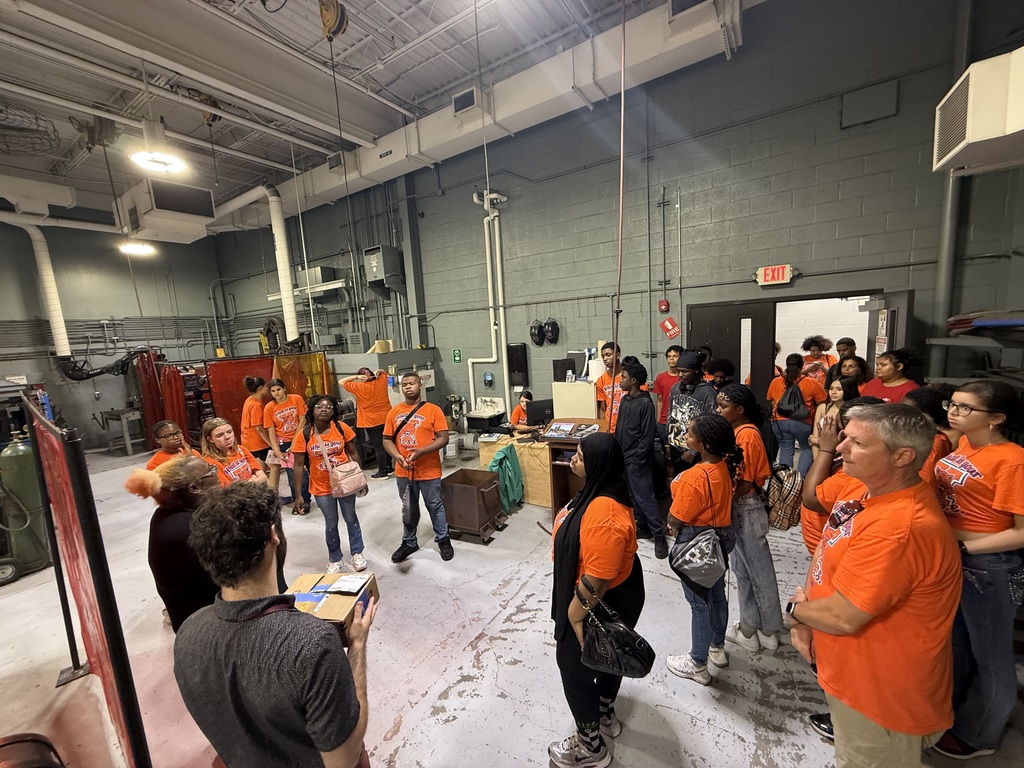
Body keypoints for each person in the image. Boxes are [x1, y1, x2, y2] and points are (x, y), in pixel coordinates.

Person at [788, 404, 961, 768]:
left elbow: (844, 616)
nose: (840, 448)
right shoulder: (863, 487)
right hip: (849, 670)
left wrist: (795, 611)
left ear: (902, 456)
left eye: (857, 443)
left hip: (878, 695)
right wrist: (809, 618)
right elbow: (827, 543)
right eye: (844, 437)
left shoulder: (900, 527)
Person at [174, 483, 377, 768]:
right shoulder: (312, 643)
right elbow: (344, 759)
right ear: (273, 536)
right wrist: (357, 647)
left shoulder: (188, 633)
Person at [931, 380, 1024, 760]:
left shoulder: (1012, 460)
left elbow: (1021, 532)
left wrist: (964, 547)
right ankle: (952, 714)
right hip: (956, 558)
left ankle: (980, 734)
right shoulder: (966, 443)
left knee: (992, 655)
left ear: (996, 418)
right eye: (952, 404)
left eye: (965, 408)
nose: (953, 412)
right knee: (958, 646)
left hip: (987, 567)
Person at [549, 433, 644, 768]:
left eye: (579, 455)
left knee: (573, 669)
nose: (572, 460)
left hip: (598, 601)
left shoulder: (604, 511)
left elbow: (598, 579)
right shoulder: (601, 489)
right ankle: (604, 714)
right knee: (609, 657)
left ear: (598, 464)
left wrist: (574, 616)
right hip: (608, 592)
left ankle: (591, 747)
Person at [665, 413, 741, 685]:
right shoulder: (722, 466)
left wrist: (670, 524)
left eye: (689, 433)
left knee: (699, 603)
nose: (685, 436)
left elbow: (676, 516)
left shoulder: (694, 476)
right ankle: (716, 647)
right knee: (717, 595)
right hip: (720, 537)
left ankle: (697, 664)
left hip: (697, 540)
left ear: (705, 444)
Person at [715, 384, 784, 653]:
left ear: (740, 410)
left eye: (723, 407)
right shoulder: (738, 432)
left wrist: (717, 499)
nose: (717, 410)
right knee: (743, 571)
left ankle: (769, 629)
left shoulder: (746, 435)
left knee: (758, 571)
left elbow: (743, 484)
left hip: (746, 507)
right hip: (740, 507)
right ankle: (749, 626)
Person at [124, 455, 220, 631]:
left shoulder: (170, 514)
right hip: (204, 628)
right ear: (194, 488)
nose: (217, 474)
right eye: (212, 471)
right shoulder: (185, 530)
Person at [291, 395, 368, 574]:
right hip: (321, 486)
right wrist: (299, 495)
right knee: (331, 522)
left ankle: (357, 553)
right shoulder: (304, 434)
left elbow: (354, 453)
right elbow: (298, 465)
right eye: (319, 406)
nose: (324, 409)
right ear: (312, 410)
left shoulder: (341, 428)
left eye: (329, 407)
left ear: (334, 411)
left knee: (351, 517)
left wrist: (361, 478)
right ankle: (335, 558)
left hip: (345, 482)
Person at [384, 372, 454, 563]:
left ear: (420, 385)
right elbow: (387, 439)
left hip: (429, 470)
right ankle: (409, 542)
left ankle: (443, 539)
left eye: (412, 383)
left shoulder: (433, 410)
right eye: (404, 384)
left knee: (434, 505)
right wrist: (397, 456)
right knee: (408, 508)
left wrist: (422, 451)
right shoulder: (393, 412)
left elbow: (443, 438)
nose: (408, 387)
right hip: (404, 471)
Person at [614, 359, 667, 559]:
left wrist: (638, 457)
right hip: (623, 456)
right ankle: (642, 527)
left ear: (634, 380)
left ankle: (659, 535)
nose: (620, 380)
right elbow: (619, 428)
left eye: (624, 377)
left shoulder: (645, 403)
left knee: (645, 496)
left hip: (637, 459)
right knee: (632, 495)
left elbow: (648, 434)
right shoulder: (625, 400)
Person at [766, 353, 827, 477]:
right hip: (802, 421)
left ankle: (786, 480)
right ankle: (801, 480)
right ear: (802, 365)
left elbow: (770, 400)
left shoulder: (776, 382)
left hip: (779, 422)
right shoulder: (812, 383)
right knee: (806, 448)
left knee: (785, 449)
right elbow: (823, 401)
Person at [264, 379, 311, 512]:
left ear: (284, 388)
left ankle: (307, 499)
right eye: (273, 391)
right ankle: (299, 501)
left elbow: (302, 420)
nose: (276, 393)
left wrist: (295, 440)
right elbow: (271, 431)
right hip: (284, 443)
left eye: (278, 389)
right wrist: (276, 450)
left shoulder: (296, 399)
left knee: (305, 471)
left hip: (301, 438)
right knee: (293, 474)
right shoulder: (269, 408)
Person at [340, 368, 394, 479]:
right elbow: (384, 372)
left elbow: (341, 382)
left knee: (379, 447)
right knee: (387, 442)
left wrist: (356, 377)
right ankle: (389, 468)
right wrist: (378, 371)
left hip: (371, 422)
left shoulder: (359, 387)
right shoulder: (381, 382)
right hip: (386, 418)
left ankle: (382, 472)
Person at [664, 349, 710, 474]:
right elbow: (670, 416)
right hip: (675, 448)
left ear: (696, 371)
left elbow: (710, 427)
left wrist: (693, 452)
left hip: (695, 452)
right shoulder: (675, 389)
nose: (680, 375)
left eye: (685, 371)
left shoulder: (707, 392)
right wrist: (668, 444)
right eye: (678, 371)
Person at [901, 386, 953, 485]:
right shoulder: (914, 436)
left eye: (906, 412)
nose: (898, 415)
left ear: (926, 416)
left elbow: (926, 481)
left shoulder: (933, 445)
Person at [200, 417, 267, 486]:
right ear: (210, 439)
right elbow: (228, 491)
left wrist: (245, 484)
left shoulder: (241, 450)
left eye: (229, 432)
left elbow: (264, 478)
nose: (227, 437)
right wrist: (254, 479)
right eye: (220, 435)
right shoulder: (210, 463)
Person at [809, 377, 859, 458]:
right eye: (831, 388)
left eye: (839, 389)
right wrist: (817, 459)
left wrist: (818, 441)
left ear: (848, 390)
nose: (833, 392)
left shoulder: (854, 411)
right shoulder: (822, 408)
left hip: (845, 455)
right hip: (822, 455)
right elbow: (814, 437)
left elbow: (851, 440)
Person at [240, 376, 271, 463]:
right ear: (261, 388)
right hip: (259, 443)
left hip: (248, 442)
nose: (267, 388)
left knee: (261, 467)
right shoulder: (256, 405)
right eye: (266, 386)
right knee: (275, 466)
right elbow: (259, 428)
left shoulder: (249, 400)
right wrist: (271, 443)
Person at [653, 345, 685, 430]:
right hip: (664, 422)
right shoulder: (660, 378)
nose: (671, 359)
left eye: (675, 356)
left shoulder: (685, 377)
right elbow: (659, 401)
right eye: (669, 356)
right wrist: (659, 422)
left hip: (681, 421)